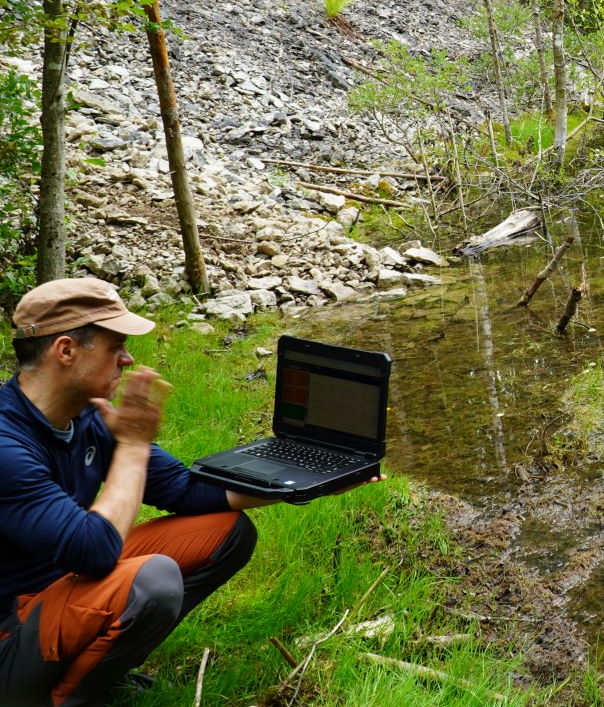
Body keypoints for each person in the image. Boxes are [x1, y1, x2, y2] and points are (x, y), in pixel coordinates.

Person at [0, 278, 375, 706]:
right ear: (65, 351)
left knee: (225, 531)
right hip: (9, 634)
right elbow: (95, 549)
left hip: (59, 589)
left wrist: (315, 481)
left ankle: (99, 664)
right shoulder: (6, 446)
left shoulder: (82, 415)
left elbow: (185, 489)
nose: (127, 358)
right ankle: (65, 699)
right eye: (114, 346)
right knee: (152, 582)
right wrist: (134, 446)